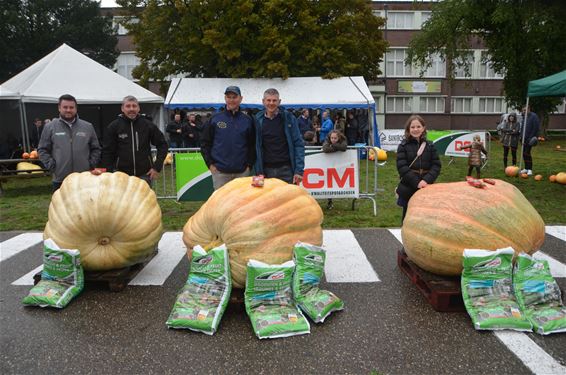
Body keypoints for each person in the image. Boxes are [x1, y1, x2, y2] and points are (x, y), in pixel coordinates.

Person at [38, 94, 101, 191]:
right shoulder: (50, 127)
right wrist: (52, 166)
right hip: (60, 179)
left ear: (76, 108)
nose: (68, 110)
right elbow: (42, 149)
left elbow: (96, 148)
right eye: (65, 107)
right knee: (61, 206)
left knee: (84, 206)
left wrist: (90, 164)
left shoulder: (87, 127)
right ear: (59, 108)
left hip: (83, 178)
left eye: (71, 107)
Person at [101, 95, 168, 185]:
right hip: (121, 175)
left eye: (134, 106)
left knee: (143, 199)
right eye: (128, 106)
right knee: (123, 199)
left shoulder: (148, 125)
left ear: (138, 108)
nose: (131, 109)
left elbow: (162, 145)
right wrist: (108, 173)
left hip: (144, 174)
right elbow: (107, 151)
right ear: (122, 108)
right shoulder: (114, 126)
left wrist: (156, 167)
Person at [200, 86, 256, 190]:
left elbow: (252, 145)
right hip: (220, 173)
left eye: (234, 97)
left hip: (242, 173)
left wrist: (249, 166)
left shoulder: (248, 120)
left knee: (241, 203)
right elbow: (205, 143)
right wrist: (210, 165)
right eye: (229, 97)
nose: (231, 100)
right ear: (225, 98)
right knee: (221, 204)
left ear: (241, 98)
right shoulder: (214, 119)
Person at [396, 115, 441, 221]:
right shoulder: (403, 146)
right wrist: (417, 182)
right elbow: (402, 167)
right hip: (409, 186)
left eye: (418, 126)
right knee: (408, 217)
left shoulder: (430, 146)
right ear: (408, 129)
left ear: (423, 128)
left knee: (425, 218)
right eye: (412, 127)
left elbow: (436, 165)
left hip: (426, 186)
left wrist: (426, 180)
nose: (415, 129)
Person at [255, 88, 305, 185]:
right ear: (263, 102)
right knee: (264, 200)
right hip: (264, 171)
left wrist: (299, 171)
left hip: (286, 170)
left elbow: (298, 144)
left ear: (279, 102)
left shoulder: (289, 119)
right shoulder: (257, 120)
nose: (271, 103)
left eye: (274, 100)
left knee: (289, 200)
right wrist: (257, 171)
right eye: (268, 100)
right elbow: (254, 147)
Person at [322, 130, 347, 210]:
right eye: (332, 138)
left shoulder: (343, 139)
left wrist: (332, 146)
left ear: (339, 137)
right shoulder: (327, 139)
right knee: (329, 182)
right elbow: (325, 149)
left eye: (335, 138)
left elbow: (344, 147)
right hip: (328, 164)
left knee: (336, 181)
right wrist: (336, 147)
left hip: (340, 164)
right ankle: (330, 201)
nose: (333, 139)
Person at [520, 105, 540, 175]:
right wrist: (521, 137)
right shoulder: (524, 117)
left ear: (529, 109)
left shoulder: (534, 116)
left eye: (525, 110)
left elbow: (535, 128)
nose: (524, 111)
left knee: (527, 153)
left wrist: (531, 137)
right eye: (523, 110)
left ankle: (530, 169)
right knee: (524, 153)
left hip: (530, 138)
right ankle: (526, 168)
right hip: (523, 139)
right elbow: (522, 128)